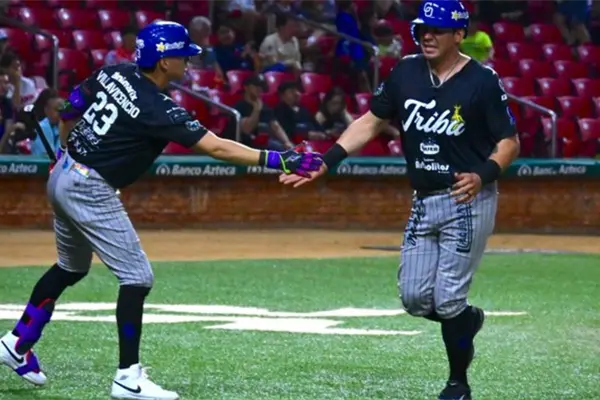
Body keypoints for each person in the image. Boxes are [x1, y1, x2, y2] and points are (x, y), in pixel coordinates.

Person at [0, 20, 321, 400]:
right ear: (165, 60)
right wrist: (280, 160)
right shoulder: (158, 107)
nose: (189, 62)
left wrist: (66, 150)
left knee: (71, 267)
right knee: (137, 278)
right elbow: (217, 147)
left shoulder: (114, 72)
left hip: (63, 174)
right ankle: (128, 377)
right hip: (89, 188)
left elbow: (70, 109)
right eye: (183, 56)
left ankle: (17, 342)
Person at [280, 1, 520, 399]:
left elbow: (509, 142)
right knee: (414, 299)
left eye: (437, 30)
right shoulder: (405, 71)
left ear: (459, 34)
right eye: (423, 28)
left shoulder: (482, 80)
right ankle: (466, 321)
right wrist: (327, 160)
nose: (427, 35)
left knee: (447, 299)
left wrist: (483, 175)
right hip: (424, 199)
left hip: (467, 198)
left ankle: (457, 383)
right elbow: (371, 120)